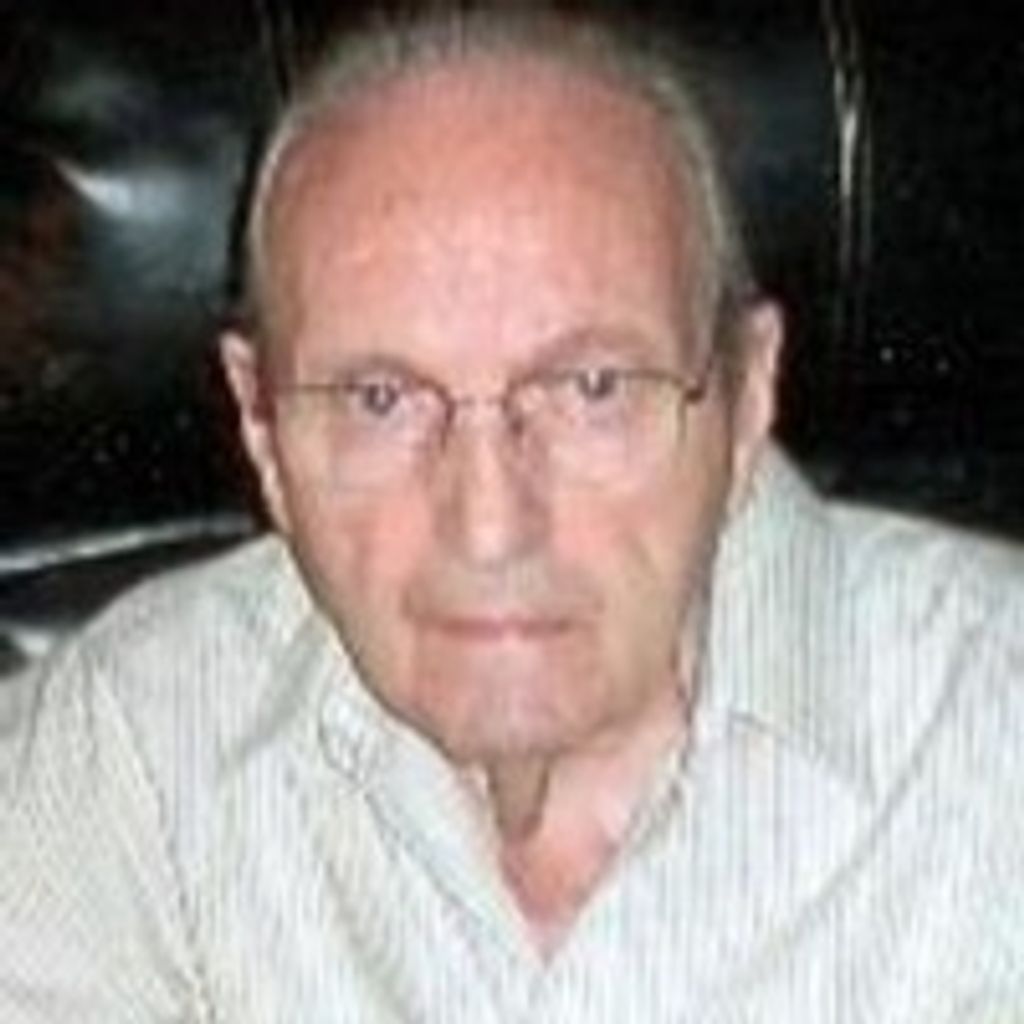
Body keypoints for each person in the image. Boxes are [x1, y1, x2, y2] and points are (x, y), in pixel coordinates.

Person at [2, 6, 1022, 1021]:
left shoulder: (992, 736)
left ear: (749, 393)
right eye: (380, 399)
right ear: (261, 423)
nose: (489, 529)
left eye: (591, 387)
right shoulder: (133, 752)